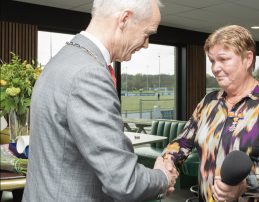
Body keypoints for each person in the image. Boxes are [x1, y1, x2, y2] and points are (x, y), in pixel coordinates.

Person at [22, 0, 179, 201]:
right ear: (125, 19)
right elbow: (124, 181)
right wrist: (163, 177)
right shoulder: (89, 74)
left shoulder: (63, 59)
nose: (147, 44)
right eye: (147, 33)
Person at [162, 25, 259, 202]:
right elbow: (183, 141)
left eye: (223, 59)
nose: (215, 68)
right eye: (212, 61)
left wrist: (248, 185)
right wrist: (167, 159)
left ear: (247, 59)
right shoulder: (209, 102)